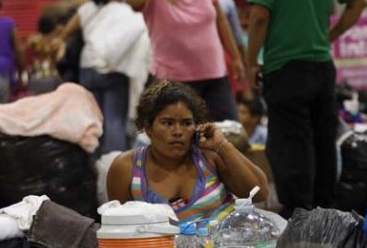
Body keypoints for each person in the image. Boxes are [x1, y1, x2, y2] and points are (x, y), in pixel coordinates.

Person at [246, 0, 367, 218]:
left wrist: (249, 62)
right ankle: (327, 211)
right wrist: (331, 35)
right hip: (321, 66)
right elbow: (357, 2)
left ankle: (299, 214)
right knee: (323, 138)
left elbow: (259, 17)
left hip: (285, 67)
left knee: (290, 143)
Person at [106, 81, 268, 226]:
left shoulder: (209, 156)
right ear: (148, 128)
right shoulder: (126, 168)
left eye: (186, 123)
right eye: (167, 123)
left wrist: (223, 146)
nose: (178, 131)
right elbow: (117, 229)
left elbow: (259, 193)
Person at [125, 0, 245, 122]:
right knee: (179, 140)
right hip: (173, 79)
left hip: (214, 73)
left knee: (228, 133)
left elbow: (221, 21)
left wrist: (236, 57)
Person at [59, 0, 145, 154]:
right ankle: (115, 164)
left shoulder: (86, 9)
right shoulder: (122, 10)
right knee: (114, 119)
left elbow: (66, 33)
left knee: (94, 120)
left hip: (87, 69)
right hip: (113, 70)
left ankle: (96, 164)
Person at [199, 0, 253, 101]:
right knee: (228, 97)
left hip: (199, 58)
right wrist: (241, 59)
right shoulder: (225, 0)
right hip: (224, 54)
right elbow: (236, 35)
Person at [27, 14, 66, 94]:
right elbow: (60, 60)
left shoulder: (31, 41)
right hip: (52, 78)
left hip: (35, 78)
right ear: (54, 28)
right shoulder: (58, 43)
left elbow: (27, 60)